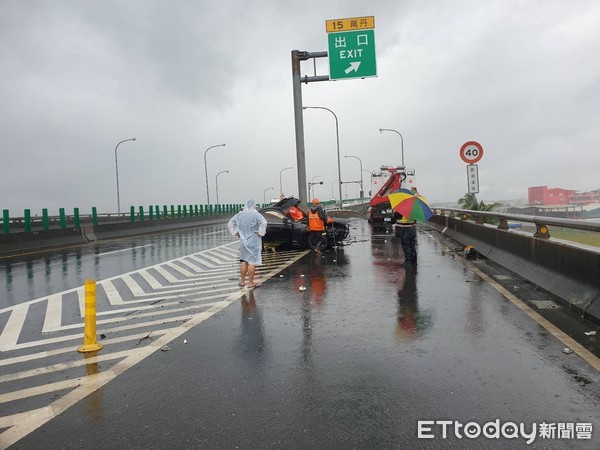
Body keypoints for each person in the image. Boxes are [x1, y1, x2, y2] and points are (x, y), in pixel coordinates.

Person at [228, 198, 267, 288]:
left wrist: (235, 232)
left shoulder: (239, 215)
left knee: (243, 260)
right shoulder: (256, 215)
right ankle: (250, 283)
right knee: (252, 262)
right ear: (254, 205)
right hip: (254, 241)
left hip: (243, 241)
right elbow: (264, 222)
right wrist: (260, 232)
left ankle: (242, 282)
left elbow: (230, 223)